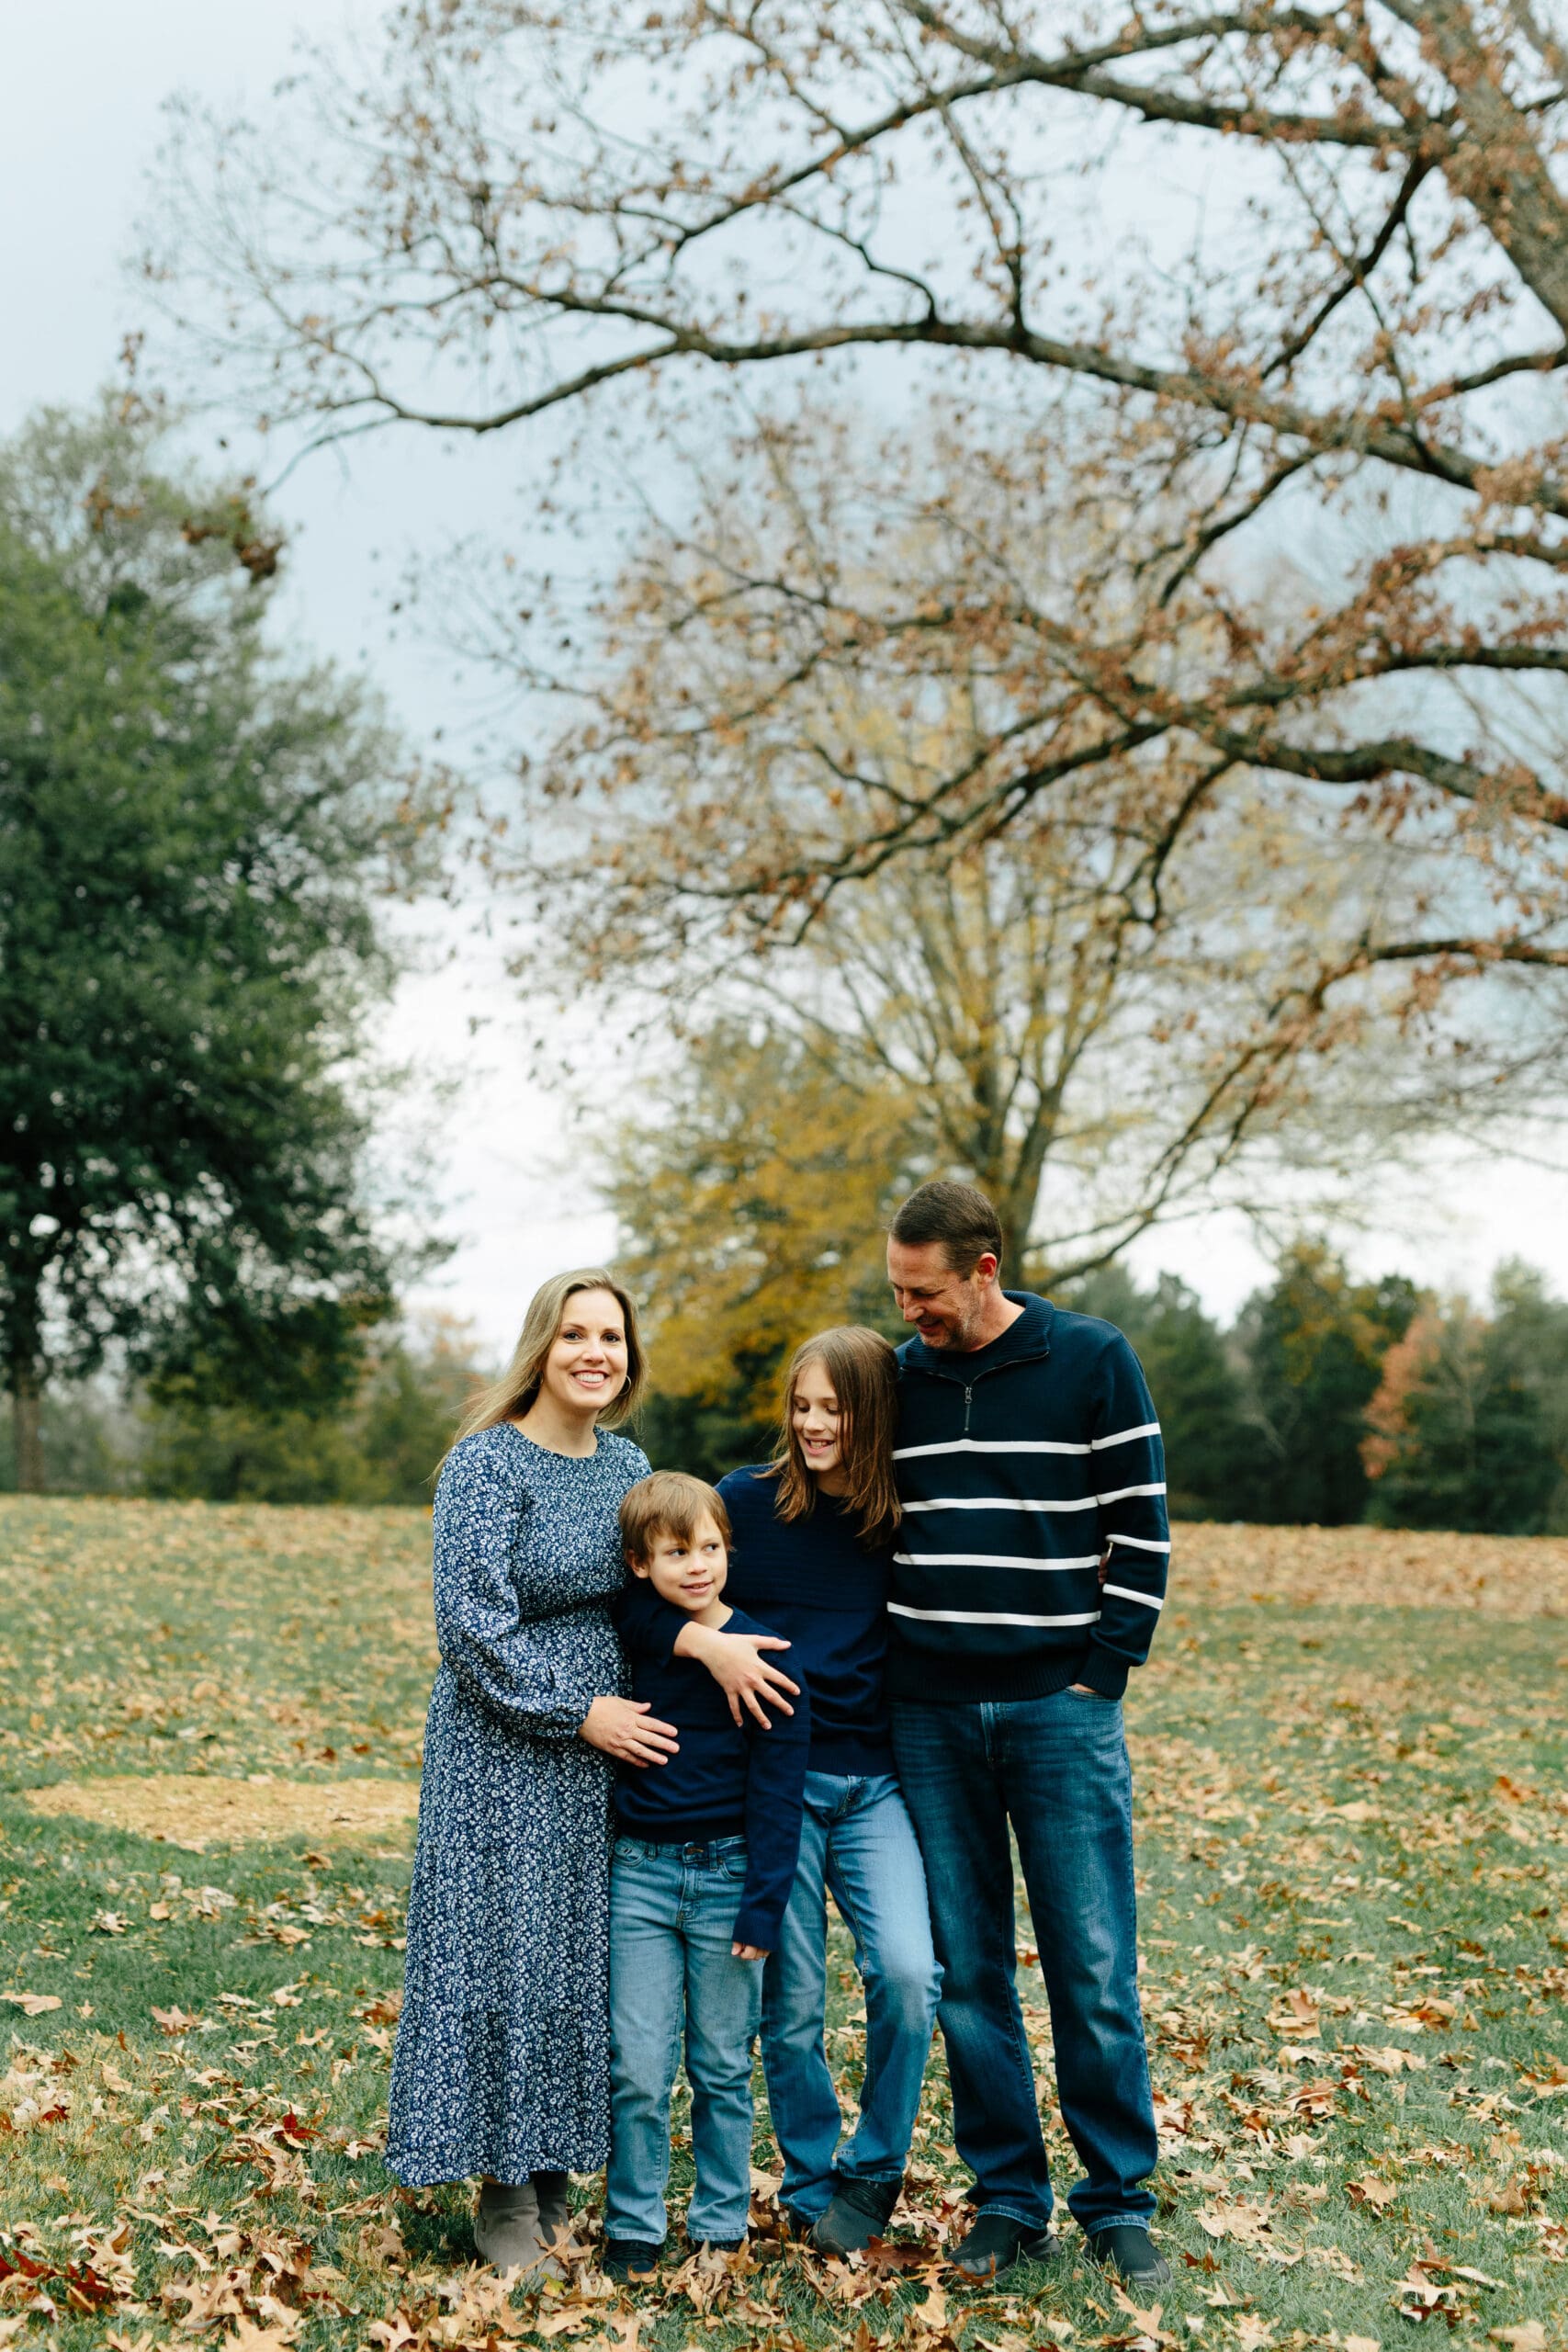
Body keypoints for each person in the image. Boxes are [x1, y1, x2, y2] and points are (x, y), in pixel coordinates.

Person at [884, 1182, 1171, 2289]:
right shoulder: (897, 1378)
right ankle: (1010, 2197)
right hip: (930, 1716)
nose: (912, 1311)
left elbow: (1141, 1531)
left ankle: (1117, 2200)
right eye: (899, 1290)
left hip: (1061, 1712)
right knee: (968, 1972)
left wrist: (1101, 1676)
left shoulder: (1092, 1359)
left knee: (1092, 1968)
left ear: (986, 1267)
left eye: (928, 1291)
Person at [622, 1329, 941, 2256]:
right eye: (801, 1404)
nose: (812, 1422)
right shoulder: (743, 1505)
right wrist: (703, 1644)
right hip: (778, 1786)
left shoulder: (900, 1516)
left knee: (910, 1977)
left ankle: (873, 2167)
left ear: (872, 1413)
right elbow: (642, 1594)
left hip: (875, 1783)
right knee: (791, 2003)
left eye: (834, 1407)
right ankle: (808, 2179)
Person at [387, 1271, 680, 2278]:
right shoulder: (486, 1465)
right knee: (501, 1951)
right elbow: (470, 1624)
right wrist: (577, 1709)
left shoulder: (629, 1463)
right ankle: (502, 2191)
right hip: (503, 1746)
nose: (597, 1352)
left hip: (606, 1752)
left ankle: (553, 2173)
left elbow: (660, 1587)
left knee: (574, 1954)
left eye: (613, 1336)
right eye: (576, 1335)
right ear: (541, 1348)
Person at [603, 1473, 811, 2281]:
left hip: (728, 1881)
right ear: (639, 1564)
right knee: (638, 2063)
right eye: (675, 1552)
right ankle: (633, 2223)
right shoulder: (638, 1637)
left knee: (722, 2065)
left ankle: (720, 2223)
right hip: (642, 1878)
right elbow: (625, 1611)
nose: (697, 1565)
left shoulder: (764, 1655)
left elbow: (779, 1790)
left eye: (711, 1548)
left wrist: (764, 1906)